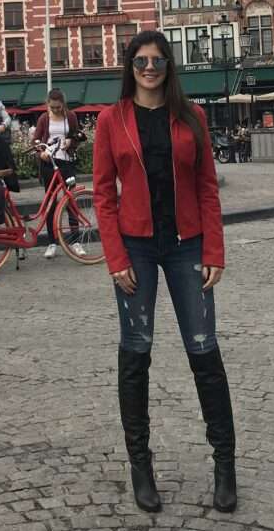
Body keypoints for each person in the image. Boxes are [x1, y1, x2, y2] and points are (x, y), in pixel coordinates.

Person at [94, 30, 235, 515]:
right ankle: (141, 465)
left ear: (169, 65)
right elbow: (103, 195)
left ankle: (225, 464)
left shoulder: (191, 116)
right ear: (130, 67)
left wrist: (214, 250)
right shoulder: (111, 120)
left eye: (157, 60)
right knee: (136, 355)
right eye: (141, 61)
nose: (150, 68)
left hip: (186, 245)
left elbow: (208, 186)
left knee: (204, 352)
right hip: (135, 247)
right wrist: (115, 258)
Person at [32, 89, 87, 259]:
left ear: (63, 104)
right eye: (52, 107)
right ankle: (52, 242)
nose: (55, 110)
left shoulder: (70, 116)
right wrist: (41, 152)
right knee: (50, 203)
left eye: (58, 107)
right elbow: (35, 140)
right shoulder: (44, 118)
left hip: (66, 162)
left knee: (71, 200)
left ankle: (75, 241)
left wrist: (71, 141)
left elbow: (77, 135)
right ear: (48, 104)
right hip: (49, 164)